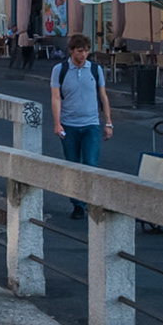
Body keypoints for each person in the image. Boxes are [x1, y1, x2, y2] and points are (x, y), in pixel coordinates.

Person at [50, 33, 114, 218]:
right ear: (71, 51)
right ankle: (77, 204)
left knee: (91, 164)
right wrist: (57, 123)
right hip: (69, 124)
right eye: (80, 51)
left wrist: (108, 122)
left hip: (91, 123)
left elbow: (103, 96)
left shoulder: (95, 69)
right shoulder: (60, 69)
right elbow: (55, 97)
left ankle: (90, 201)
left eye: (86, 51)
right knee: (72, 165)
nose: (83, 55)